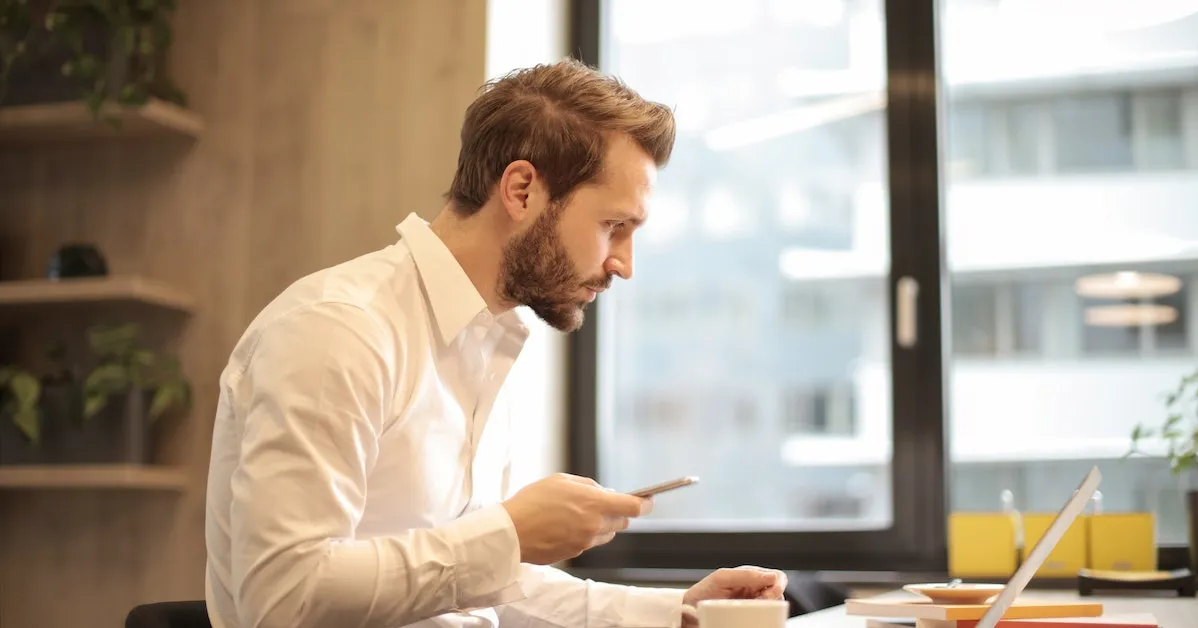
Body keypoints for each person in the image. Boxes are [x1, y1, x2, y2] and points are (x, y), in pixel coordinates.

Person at [203, 58, 787, 628]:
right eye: (615, 226)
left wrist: (677, 612)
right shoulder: (339, 329)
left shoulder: (485, 344)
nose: (623, 265)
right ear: (522, 190)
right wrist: (508, 533)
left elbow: (478, 583)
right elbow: (283, 599)